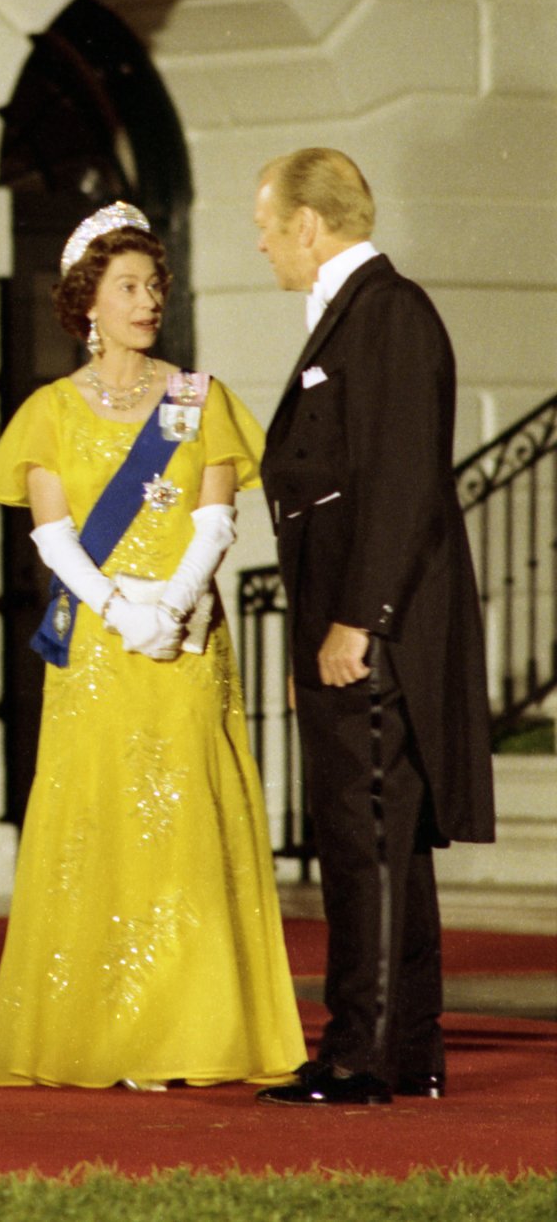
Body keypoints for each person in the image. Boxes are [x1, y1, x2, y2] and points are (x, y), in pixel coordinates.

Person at [0, 202, 305, 1090]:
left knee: (187, 815)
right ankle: (104, 1035)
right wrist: (124, 613)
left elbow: (218, 516)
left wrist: (176, 604)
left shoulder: (200, 398)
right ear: (89, 300)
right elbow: (51, 536)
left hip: (188, 640)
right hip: (101, 644)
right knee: (101, 820)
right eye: (129, 286)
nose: (148, 300)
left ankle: (191, 1032)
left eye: (154, 285)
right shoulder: (49, 409)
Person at [253, 148, 495, 1107]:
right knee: (382, 840)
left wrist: (358, 621)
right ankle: (406, 1048)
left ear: (309, 224)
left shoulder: (387, 313)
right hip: (350, 623)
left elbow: (400, 482)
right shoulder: (360, 316)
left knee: (368, 839)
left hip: (376, 628)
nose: (263, 243)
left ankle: (360, 1057)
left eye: (268, 225)